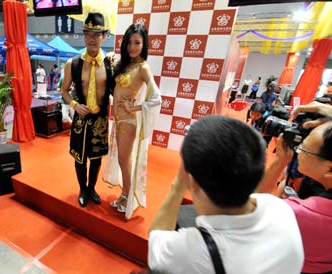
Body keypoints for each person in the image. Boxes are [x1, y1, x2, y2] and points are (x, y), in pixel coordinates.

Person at [148, 116, 304, 274]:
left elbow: (157, 242)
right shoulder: (281, 211)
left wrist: (178, 185)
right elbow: (258, 196)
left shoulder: (188, 252)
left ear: (192, 181)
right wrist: (279, 162)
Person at [257, 102, 332, 273]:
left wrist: (280, 161)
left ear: (329, 168)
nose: (298, 152)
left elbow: (252, 208)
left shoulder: (303, 214)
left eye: (302, 148)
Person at [102, 23, 161, 220]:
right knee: (122, 159)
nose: (132, 47)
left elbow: (156, 98)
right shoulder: (126, 65)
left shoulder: (144, 68)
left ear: (144, 45)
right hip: (117, 120)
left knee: (124, 160)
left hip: (129, 121)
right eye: (129, 42)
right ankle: (124, 194)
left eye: (137, 42)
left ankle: (127, 197)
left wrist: (134, 107)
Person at [60, 12, 114, 207]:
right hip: (80, 119)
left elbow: (118, 91)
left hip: (100, 119)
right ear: (83, 36)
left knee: (97, 158)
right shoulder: (72, 64)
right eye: (88, 34)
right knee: (80, 158)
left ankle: (92, 188)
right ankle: (82, 189)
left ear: (104, 37)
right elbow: (64, 91)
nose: (92, 38)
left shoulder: (110, 64)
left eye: (96, 34)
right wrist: (74, 105)